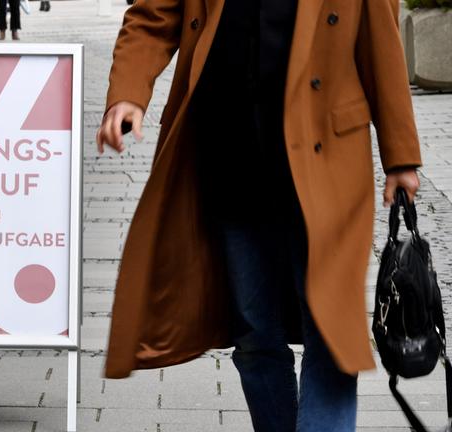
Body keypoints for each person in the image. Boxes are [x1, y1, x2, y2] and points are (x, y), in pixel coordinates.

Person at [95, 1, 422, 431]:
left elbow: (380, 38)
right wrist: (127, 94)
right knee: (254, 333)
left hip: (326, 157)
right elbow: (153, 15)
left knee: (331, 333)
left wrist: (400, 156)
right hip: (231, 152)